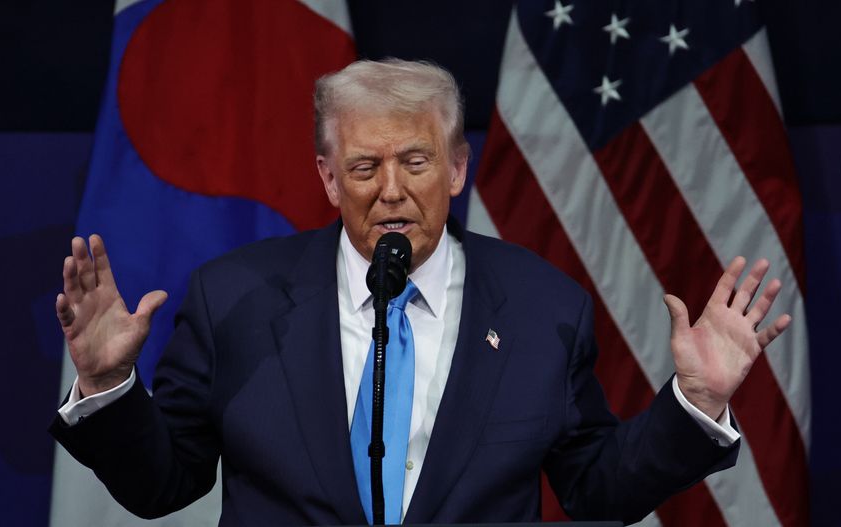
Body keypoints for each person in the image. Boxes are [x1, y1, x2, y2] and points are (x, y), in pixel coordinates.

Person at [50, 59, 791, 526]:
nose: (393, 191)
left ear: (459, 168)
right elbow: (163, 484)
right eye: (366, 167)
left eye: (416, 160)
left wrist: (695, 403)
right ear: (329, 179)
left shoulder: (542, 307)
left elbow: (597, 488)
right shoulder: (234, 297)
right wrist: (110, 385)